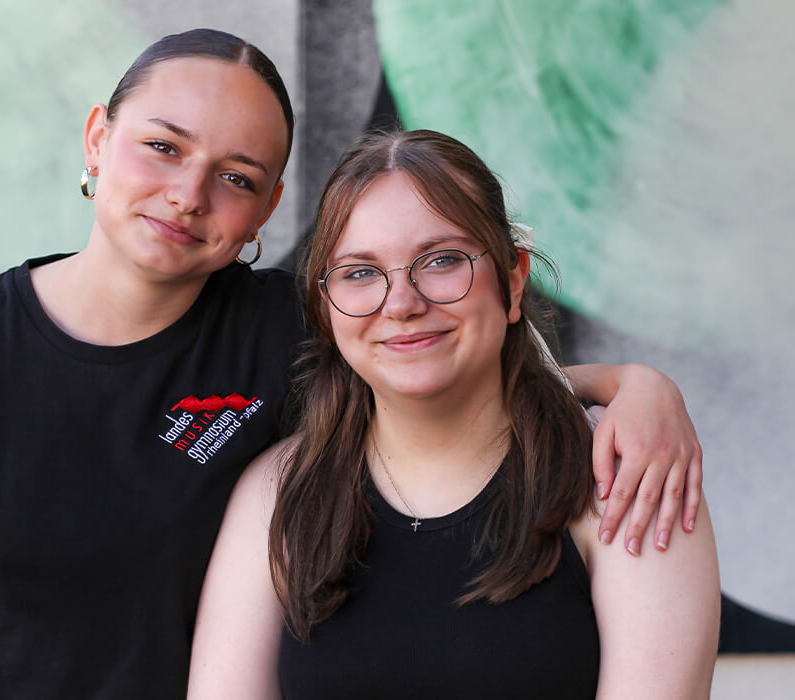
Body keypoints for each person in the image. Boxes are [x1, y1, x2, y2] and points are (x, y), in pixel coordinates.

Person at [0, 30, 703, 700]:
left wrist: (634, 388)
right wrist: (631, 385)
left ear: (266, 209)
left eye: (237, 177)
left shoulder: (288, 326)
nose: (188, 195)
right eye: (163, 146)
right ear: (99, 137)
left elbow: (450, 369)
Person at [188, 130, 720, 698]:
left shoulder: (624, 476)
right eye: (360, 272)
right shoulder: (278, 491)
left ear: (512, 280)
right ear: (326, 309)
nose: (402, 303)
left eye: (442, 260)